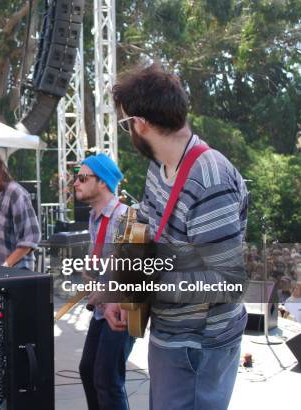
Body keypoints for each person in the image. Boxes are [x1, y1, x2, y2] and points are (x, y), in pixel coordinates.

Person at [106, 63, 249, 410]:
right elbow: (144, 225)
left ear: (139, 124)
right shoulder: (161, 165)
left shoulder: (210, 180)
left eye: (126, 125)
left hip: (200, 345)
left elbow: (224, 281)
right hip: (171, 335)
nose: (129, 132)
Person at [75, 153, 135, 410]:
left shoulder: (125, 217)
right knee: (88, 370)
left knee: (107, 378)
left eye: (82, 177)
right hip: (104, 309)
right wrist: (90, 276)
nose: (75, 183)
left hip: (125, 307)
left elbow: (136, 271)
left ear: (102, 182)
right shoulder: (95, 217)